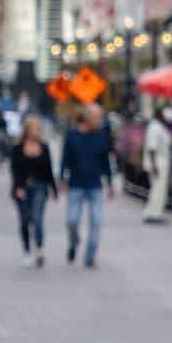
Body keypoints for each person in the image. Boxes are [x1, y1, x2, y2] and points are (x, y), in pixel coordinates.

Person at [58, 103, 114, 268]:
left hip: (95, 185)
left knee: (96, 221)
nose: (100, 121)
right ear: (87, 118)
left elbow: (106, 161)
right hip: (75, 184)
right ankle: (74, 243)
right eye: (97, 118)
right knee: (71, 221)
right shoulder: (72, 135)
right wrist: (61, 178)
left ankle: (90, 256)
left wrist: (109, 183)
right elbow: (64, 158)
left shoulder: (101, 136)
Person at [10, 114, 56, 267]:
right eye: (34, 128)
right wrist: (18, 188)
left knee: (37, 218)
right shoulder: (17, 148)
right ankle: (26, 251)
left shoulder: (44, 147)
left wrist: (54, 189)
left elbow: (49, 170)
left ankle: (40, 249)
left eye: (39, 129)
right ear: (27, 130)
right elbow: (14, 170)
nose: (37, 131)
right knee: (24, 220)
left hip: (40, 187)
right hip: (22, 188)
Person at [141, 108, 172, 224]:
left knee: (157, 189)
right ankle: (154, 214)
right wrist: (154, 165)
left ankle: (151, 212)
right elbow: (152, 148)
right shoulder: (155, 128)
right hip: (158, 163)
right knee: (158, 190)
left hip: (161, 161)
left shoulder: (159, 127)